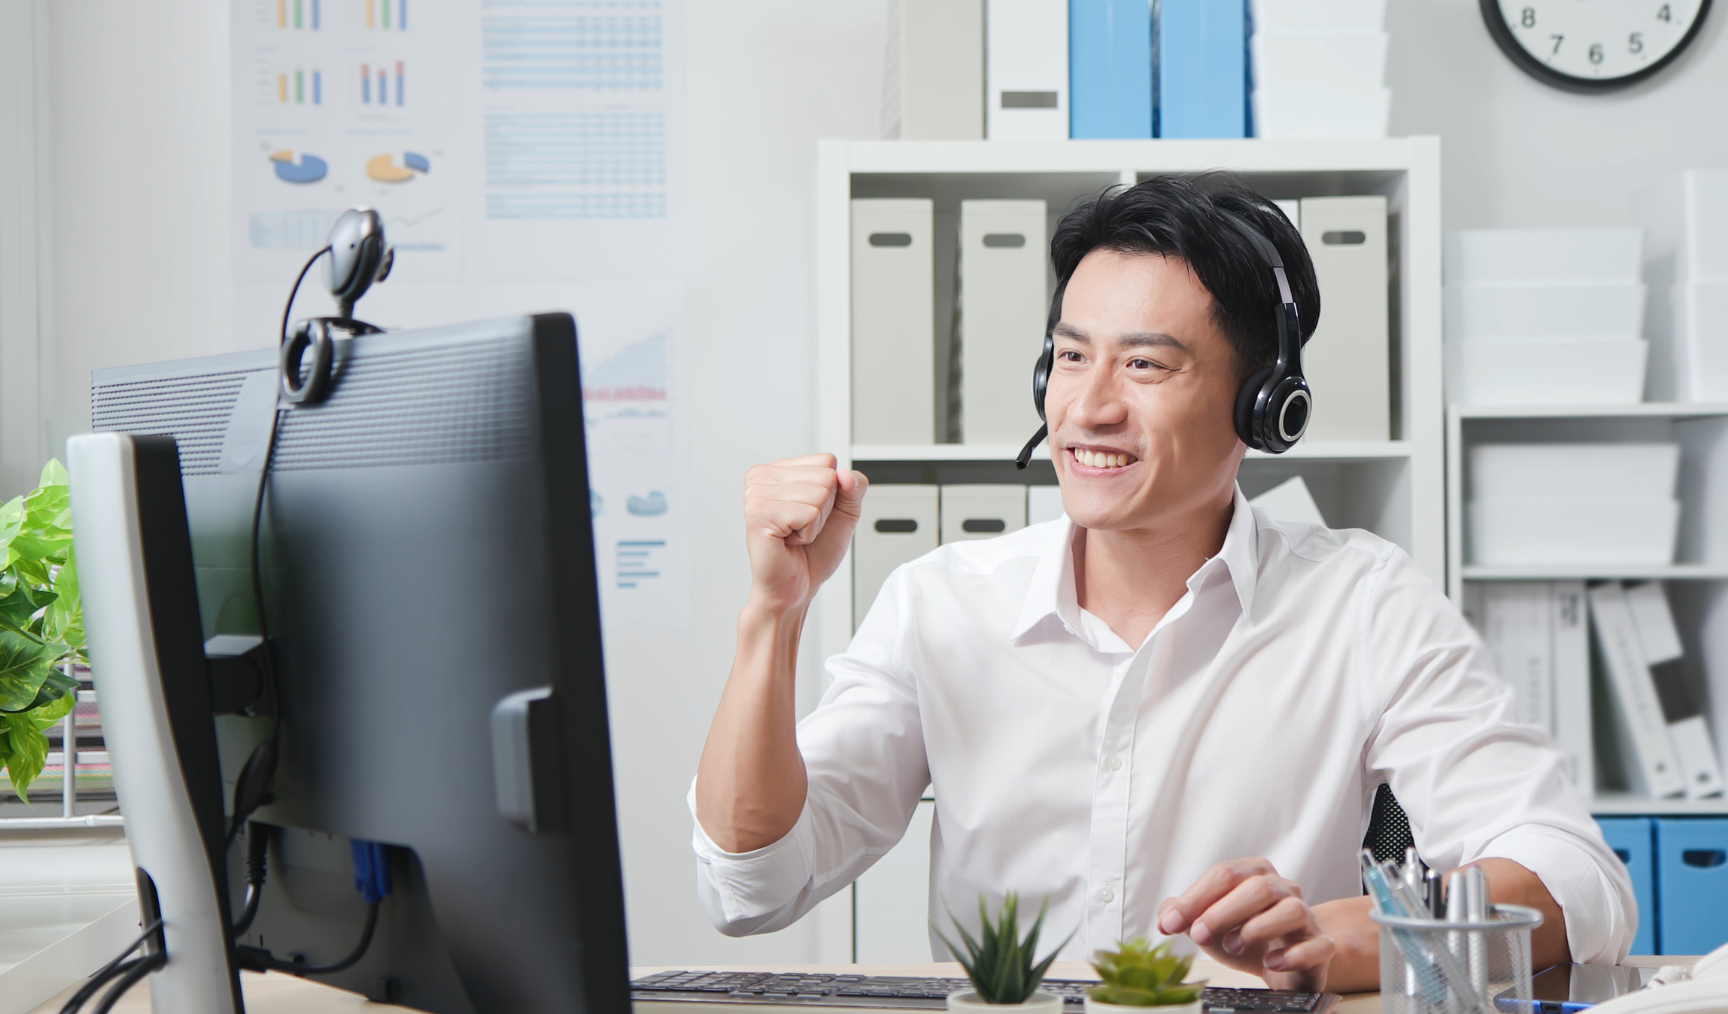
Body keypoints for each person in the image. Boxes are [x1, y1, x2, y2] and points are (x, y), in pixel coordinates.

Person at [690, 174, 1633, 994]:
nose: (1089, 406)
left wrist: (1358, 936)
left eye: (1143, 364)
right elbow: (753, 885)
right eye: (1069, 356)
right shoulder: (942, 602)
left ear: (1265, 403)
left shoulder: (1361, 601)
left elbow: (1577, 879)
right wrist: (774, 614)